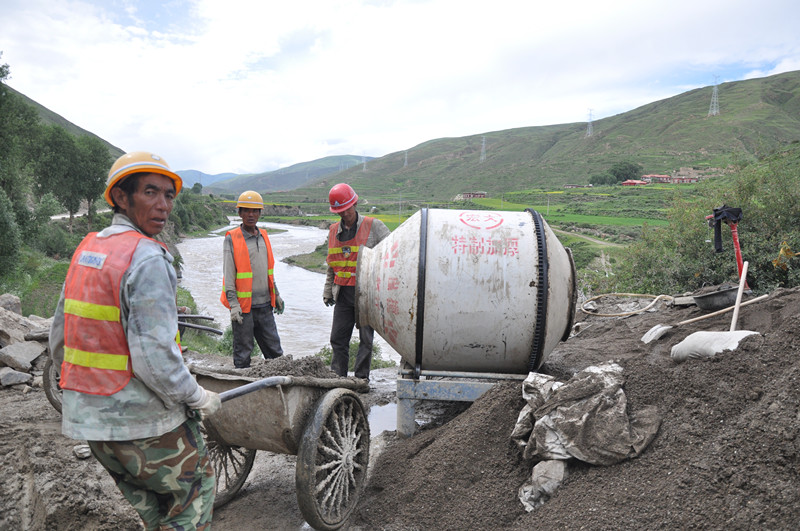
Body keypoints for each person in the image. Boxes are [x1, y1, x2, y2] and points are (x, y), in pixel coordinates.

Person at [49, 151, 220, 530]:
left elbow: (59, 337)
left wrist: (82, 390)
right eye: (150, 192)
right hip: (141, 423)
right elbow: (155, 359)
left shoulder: (88, 249)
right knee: (194, 493)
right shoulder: (147, 258)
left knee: (154, 512)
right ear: (121, 197)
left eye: (168, 195)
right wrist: (197, 397)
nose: (163, 205)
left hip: (92, 425)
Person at [323, 183, 390, 384]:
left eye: (347, 209)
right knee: (338, 339)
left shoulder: (374, 226)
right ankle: (338, 378)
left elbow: (392, 251)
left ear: (355, 204)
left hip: (366, 295)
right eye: (340, 211)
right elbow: (332, 264)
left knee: (366, 340)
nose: (345, 214)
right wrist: (328, 290)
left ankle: (361, 379)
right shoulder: (333, 231)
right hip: (343, 294)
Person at [220, 190, 285, 368]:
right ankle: (242, 385)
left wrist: (277, 294)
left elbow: (268, 271)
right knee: (243, 354)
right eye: (246, 210)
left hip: (265, 305)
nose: (251, 215)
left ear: (259, 213)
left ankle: (277, 384)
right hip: (244, 308)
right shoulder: (232, 238)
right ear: (239, 213)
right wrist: (234, 305)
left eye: (255, 211)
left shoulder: (264, 236)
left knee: (276, 353)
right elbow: (229, 275)